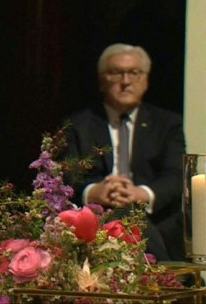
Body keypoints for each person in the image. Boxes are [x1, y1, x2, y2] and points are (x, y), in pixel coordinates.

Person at [62, 43, 185, 261]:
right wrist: (94, 192)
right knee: (121, 214)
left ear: (145, 80)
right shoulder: (78, 125)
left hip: (155, 220)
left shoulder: (167, 124)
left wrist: (142, 194)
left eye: (134, 73)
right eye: (116, 73)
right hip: (96, 219)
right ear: (101, 81)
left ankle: (166, 276)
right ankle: (170, 279)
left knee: (132, 215)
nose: (126, 81)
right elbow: (68, 176)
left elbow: (176, 176)